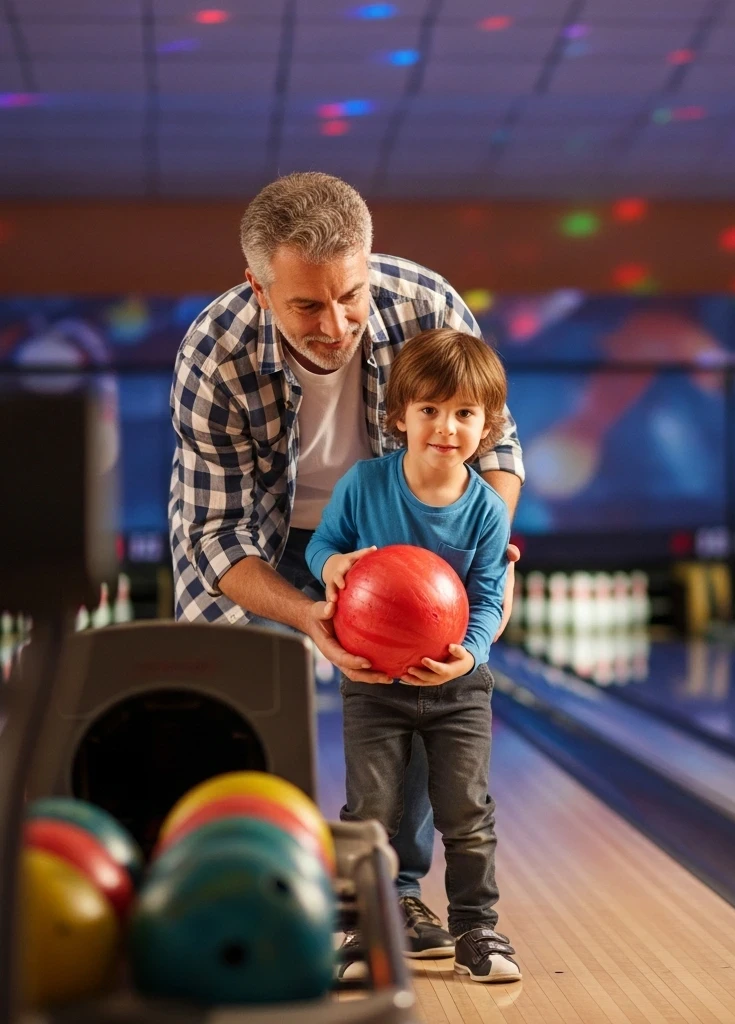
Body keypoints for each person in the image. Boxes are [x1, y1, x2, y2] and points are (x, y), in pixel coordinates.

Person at [168, 172, 524, 959]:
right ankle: (262, 894)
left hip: (404, 530)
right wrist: (308, 614)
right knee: (232, 710)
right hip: (267, 536)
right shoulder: (215, 352)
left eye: (351, 296)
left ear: (368, 263)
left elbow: (494, 446)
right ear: (258, 287)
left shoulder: (426, 304)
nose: (335, 324)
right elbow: (218, 535)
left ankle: (395, 899)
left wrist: (479, 539)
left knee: (429, 691)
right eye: (306, 305)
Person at [306, 328, 520, 983]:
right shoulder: (365, 484)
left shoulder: (485, 509)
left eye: (464, 413)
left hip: (457, 688)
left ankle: (476, 929)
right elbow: (322, 549)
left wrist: (471, 655)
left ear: (487, 427)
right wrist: (336, 562)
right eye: (429, 410)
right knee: (368, 809)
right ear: (399, 416)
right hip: (373, 683)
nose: (446, 427)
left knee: (466, 811)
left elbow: (488, 597)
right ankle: (358, 930)